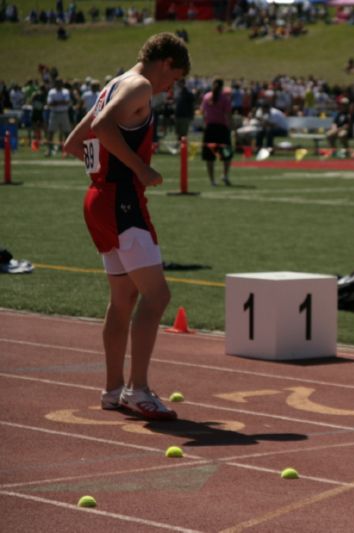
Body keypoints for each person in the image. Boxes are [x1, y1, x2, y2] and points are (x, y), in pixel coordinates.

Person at [63, 32, 191, 421]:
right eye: (175, 78)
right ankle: (137, 390)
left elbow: (73, 142)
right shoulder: (139, 85)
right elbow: (101, 127)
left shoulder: (114, 84)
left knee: (123, 300)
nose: (170, 89)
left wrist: (103, 169)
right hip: (121, 201)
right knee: (157, 297)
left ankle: (113, 389)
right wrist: (138, 167)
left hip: (99, 200)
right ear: (166, 62)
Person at [200, 78, 232, 186]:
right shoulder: (225, 99)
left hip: (210, 128)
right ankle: (225, 175)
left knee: (210, 156)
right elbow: (228, 115)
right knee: (226, 153)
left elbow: (203, 112)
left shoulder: (206, 97)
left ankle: (212, 180)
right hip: (222, 128)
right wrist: (231, 128)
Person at [46, 77, 72, 156]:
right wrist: (61, 102)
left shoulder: (65, 91)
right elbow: (49, 103)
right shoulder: (51, 92)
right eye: (57, 82)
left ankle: (67, 151)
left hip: (64, 113)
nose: (59, 84)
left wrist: (56, 102)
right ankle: (49, 150)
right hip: (54, 113)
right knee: (51, 132)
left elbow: (67, 102)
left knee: (67, 132)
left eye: (60, 82)